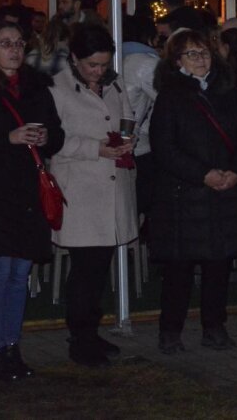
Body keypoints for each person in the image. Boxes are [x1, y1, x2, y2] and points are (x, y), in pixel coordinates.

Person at [149, 30, 237, 353]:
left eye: (204, 53)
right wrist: (202, 174)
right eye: (191, 55)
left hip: (223, 192)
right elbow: (164, 148)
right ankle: (170, 330)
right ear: (177, 61)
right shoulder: (171, 96)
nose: (200, 60)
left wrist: (236, 171)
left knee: (218, 265)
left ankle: (215, 326)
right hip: (186, 195)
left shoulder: (227, 92)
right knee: (180, 268)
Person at [49, 26, 137, 367]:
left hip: (112, 189)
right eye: (91, 65)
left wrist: (128, 138)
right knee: (85, 270)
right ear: (75, 59)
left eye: (103, 64)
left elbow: (127, 117)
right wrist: (94, 149)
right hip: (80, 192)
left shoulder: (114, 83)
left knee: (99, 268)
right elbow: (52, 140)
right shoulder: (57, 89)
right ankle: (80, 338)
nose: (98, 71)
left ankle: (90, 333)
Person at [0, 21, 64, 380]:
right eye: (5, 43)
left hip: (27, 192)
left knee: (19, 273)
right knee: (0, 272)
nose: (14, 49)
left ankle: (10, 347)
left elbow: (57, 135)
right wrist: (9, 137)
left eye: (20, 43)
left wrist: (45, 135)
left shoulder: (36, 87)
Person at [121, 15, 160, 220]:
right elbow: (165, 100)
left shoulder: (111, 58)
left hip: (112, 141)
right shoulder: (145, 63)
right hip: (140, 146)